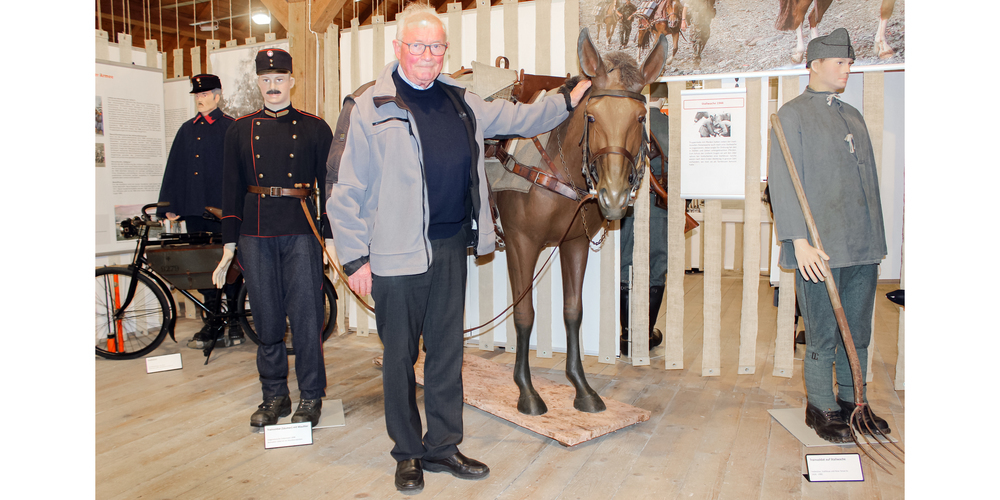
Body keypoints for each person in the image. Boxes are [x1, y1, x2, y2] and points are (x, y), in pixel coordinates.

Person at [325, 4, 591, 494]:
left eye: (436, 46)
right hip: (392, 254)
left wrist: (568, 99)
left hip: (449, 247)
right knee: (401, 356)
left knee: (446, 354)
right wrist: (355, 257)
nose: (427, 55)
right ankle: (407, 453)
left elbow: (518, 116)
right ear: (398, 47)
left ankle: (443, 446)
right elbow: (344, 187)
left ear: (445, 51)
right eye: (418, 45)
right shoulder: (368, 105)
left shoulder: (461, 100)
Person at [766, 28, 890, 443]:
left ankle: (856, 404)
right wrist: (797, 241)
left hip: (861, 246)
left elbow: (868, 183)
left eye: (850, 63)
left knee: (858, 329)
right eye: (840, 63)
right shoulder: (792, 115)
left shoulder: (852, 115)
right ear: (815, 64)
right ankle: (820, 405)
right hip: (818, 248)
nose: (847, 70)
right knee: (821, 330)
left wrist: (876, 241)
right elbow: (783, 181)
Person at [212, 48, 334, 429]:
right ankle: (274, 395)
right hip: (256, 232)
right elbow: (231, 191)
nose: (272, 86)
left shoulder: (315, 128)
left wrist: (329, 238)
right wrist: (228, 246)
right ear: (258, 83)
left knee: (306, 317)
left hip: (300, 229)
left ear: (292, 81)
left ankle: (310, 396)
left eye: (279, 79)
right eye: (266, 80)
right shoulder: (240, 129)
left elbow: (330, 188)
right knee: (265, 318)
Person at [156, 74, 240, 348]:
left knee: (230, 267)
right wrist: (168, 205)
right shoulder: (186, 129)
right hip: (194, 210)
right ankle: (212, 321)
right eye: (197, 95)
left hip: (223, 211)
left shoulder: (231, 127)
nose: (200, 99)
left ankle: (236, 321)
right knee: (204, 269)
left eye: (204, 94)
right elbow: (175, 168)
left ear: (217, 96)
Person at [619, 106, 668, 357]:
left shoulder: (623, 116)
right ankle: (646, 334)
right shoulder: (667, 122)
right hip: (657, 206)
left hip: (628, 203)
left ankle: (628, 335)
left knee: (625, 264)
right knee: (656, 266)